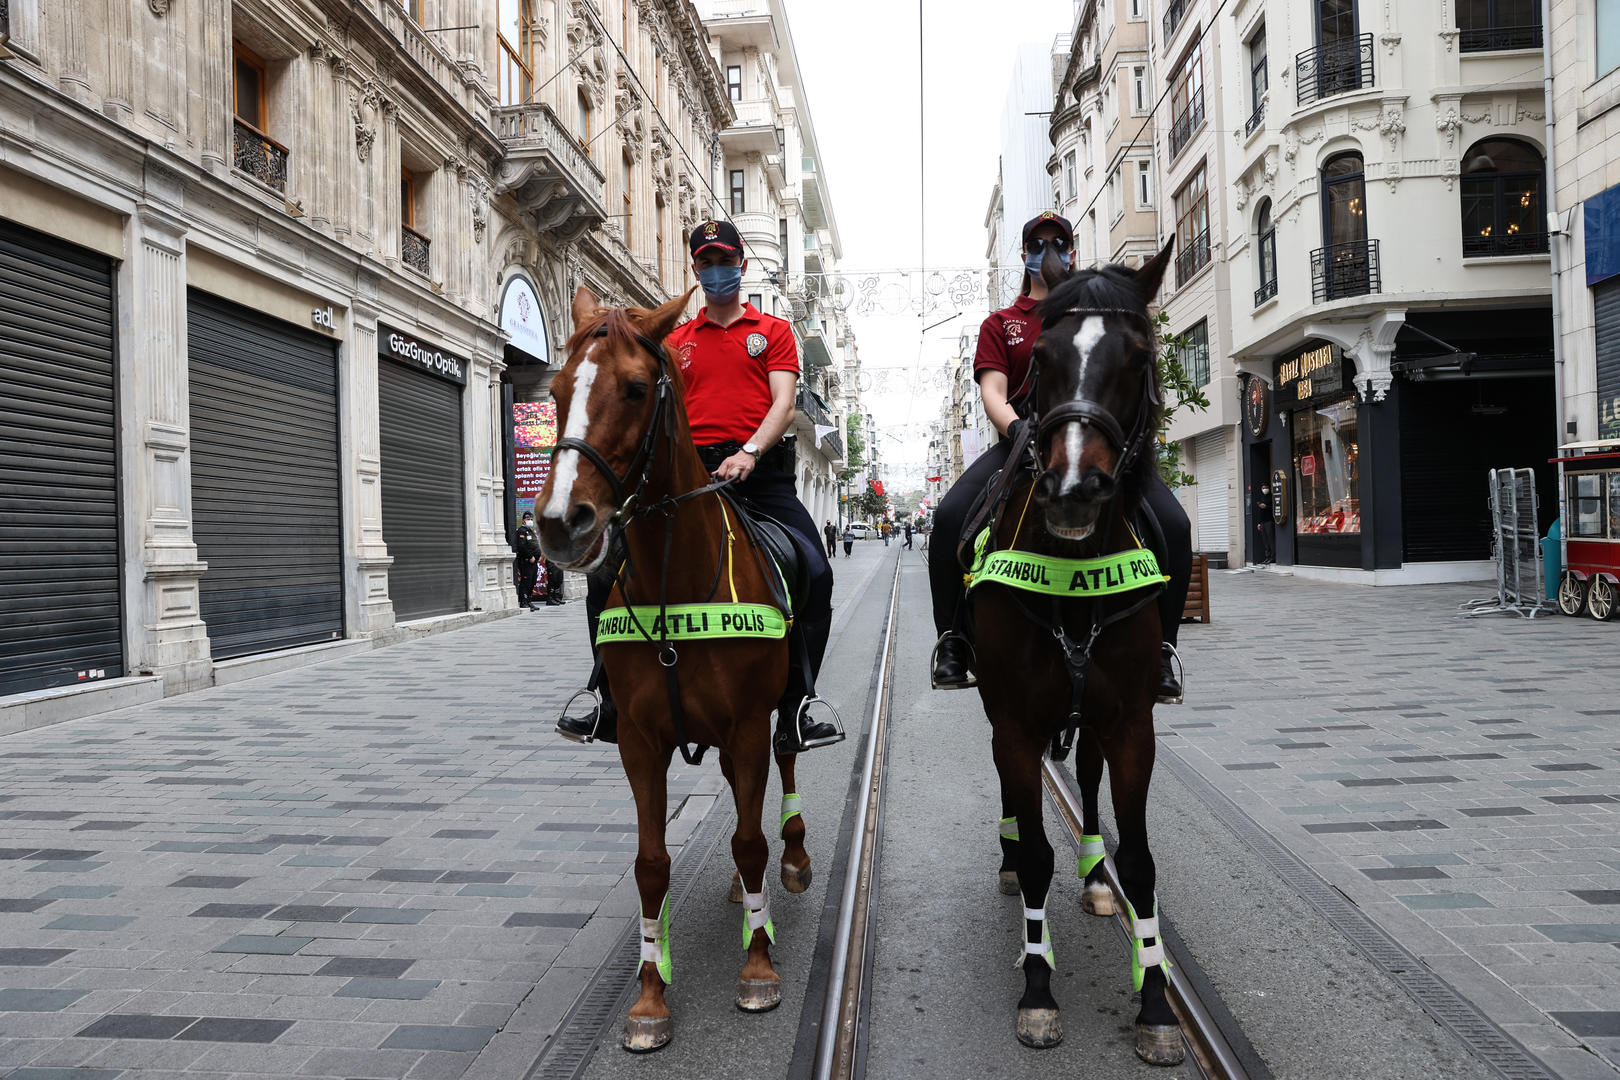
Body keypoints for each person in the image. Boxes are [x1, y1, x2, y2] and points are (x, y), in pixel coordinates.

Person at [557, 220, 840, 753]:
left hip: (759, 474)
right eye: (706, 264)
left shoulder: (774, 332)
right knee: (605, 574)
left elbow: (782, 403)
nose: (716, 272)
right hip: (687, 477)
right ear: (694, 270)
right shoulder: (676, 340)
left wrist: (749, 452)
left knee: (817, 570)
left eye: (724, 261)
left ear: (743, 266)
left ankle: (799, 704)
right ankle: (607, 697)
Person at [927, 212, 1191, 704]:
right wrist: (1017, 426)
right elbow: (994, 391)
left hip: (1094, 447)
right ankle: (954, 642)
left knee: (1175, 526)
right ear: (1025, 253)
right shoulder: (1001, 324)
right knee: (947, 520)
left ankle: (1162, 650)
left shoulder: (1095, 313)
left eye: (1057, 241)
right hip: (1020, 444)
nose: (1046, 248)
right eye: (1036, 242)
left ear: (1070, 251)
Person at [513, 511, 541, 611]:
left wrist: (538, 556)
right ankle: (523, 601)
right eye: (528, 518)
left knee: (532, 581)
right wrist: (530, 556)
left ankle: (529, 600)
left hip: (534, 561)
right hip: (526, 561)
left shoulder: (530, 531)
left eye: (531, 519)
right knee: (526, 581)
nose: (530, 520)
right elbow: (522, 546)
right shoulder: (521, 531)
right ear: (523, 520)